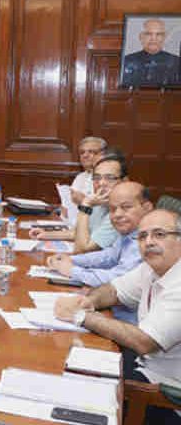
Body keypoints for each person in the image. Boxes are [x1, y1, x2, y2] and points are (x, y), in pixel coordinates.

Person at [54, 209, 181, 424]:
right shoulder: (151, 269)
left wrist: (82, 316)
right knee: (66, 363)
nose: (148, 242)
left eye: (159, 234)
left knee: (74, 393)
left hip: (166, 395)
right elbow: (113, 290)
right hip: (144, 368)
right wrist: (90, 301)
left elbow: (144, 341)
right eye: (142, 236)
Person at [46, 182, 153, 323]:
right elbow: (108, 256)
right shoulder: (130, 233)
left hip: (128, 326)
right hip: (109, 312)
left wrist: (71, 270)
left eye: (126, 207)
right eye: (113, 209)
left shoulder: (148, 241)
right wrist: (72, 260)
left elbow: (116, 280)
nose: (118, 214)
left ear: (147, 208)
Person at [30, 151, 123, 253]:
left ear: (124, 181)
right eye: (97, 177)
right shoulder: (98, 202)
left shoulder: (121, 212)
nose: (101, 183)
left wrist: (85, 206)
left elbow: (85, 247)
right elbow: (79, 233)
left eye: (109, 178)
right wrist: (45, 235)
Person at [121, 18, 180, 88]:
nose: (153, 38)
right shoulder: (126, 61)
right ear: (141, 37)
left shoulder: (177, 62)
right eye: (148, 34)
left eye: (158, 34)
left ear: (164, 37)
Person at [70, 137, 107, 205]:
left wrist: (84, 201)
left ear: (103, 155)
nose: (85, 155)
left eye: (91, 152)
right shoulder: (80, 177)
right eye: (82, 152)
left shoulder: (109, 177)